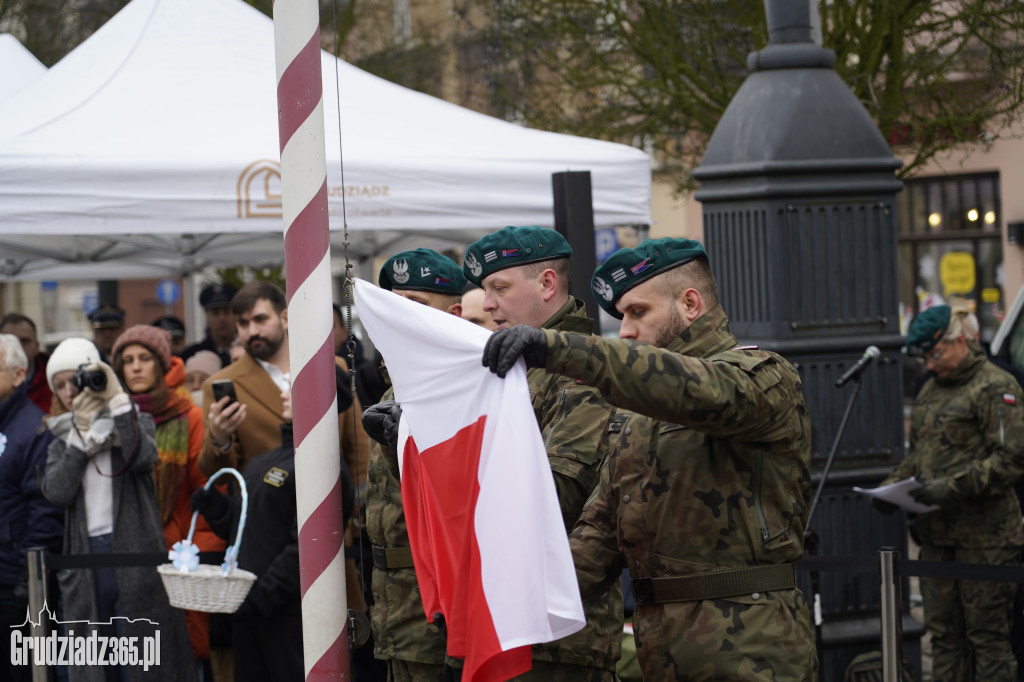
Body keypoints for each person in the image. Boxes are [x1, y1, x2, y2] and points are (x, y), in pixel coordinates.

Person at [483, 237, 817, 681]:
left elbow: (696, 390)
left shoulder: (763, 376)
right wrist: (502, 609)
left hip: (751, 650)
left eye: (638, 312)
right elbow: (601, 531)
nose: (625, 329)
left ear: (691, 304)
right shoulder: (636, 414)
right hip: (661, 650)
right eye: (621, 316)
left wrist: (559, 348)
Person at [463, 226, 623, 680]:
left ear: (548, 284)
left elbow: (555, 496)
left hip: (561, 637)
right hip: (507, 617)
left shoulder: (583, 371)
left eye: (500, 288)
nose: (488, 302)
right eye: (485, 290)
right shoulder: (512, 366)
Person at [874, 305, 1024, 681]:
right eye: (925, 357)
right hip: (938, 539)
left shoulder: (996, 386)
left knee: (988, 640)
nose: (930, 364)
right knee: (943, 640)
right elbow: (918, 458)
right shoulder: (927, 390)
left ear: (961, 340)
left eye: (935, 355)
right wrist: (891, 488)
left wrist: (950, 489)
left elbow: (1010, 460)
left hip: (986, 543)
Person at [41, 338, 195, 682]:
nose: (69, 391)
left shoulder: (133, 420)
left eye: (76, 380)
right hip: (84, 558)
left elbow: (142, 456)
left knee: (143, 659)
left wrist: (116, 401)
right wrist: (81, 439)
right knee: (97, 661)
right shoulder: (60, 437)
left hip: (134, 551)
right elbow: (57, 492)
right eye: (60, 385)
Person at [191, 388, 356, 682]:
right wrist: (217, 509)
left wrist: (261, 597)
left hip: (288, 616)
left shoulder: (322, 463)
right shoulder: (266, 459)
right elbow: (247, 529)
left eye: (295, 386)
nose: (283, 394)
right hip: (250, 613)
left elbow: (310, 546)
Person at [361, 249, 466, 681]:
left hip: (438, 608)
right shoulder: (393, 383)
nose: (401, 317)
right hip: (393, 607)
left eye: (416, 305)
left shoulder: (464, 381)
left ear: (454, 312)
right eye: (394, 305)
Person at [110, 325, 225, 678]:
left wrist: (193, 555)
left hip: (176, 556)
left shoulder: (188, 415)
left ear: (161, 364)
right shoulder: (111, 418)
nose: (136, 367)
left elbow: (205, 492)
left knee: (182, 658)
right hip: (123, 555)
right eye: (127, 360)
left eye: (145, 358)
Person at [0, 333, 63, 682]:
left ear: (18, 374)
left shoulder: (35, 428)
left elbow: (44, 507)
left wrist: (28, 576)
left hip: (15, 584)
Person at [0, 312, 53, 413]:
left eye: (24, 341)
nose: (18, 346)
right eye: (11, 342)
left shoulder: (54, 382)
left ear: (37, 346)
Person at [181, 283, 239, 369]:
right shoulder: (190, 355)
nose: (222, 319)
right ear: (207, 318)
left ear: (236, 316)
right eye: (215, 313)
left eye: (226, 312)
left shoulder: (247, 353)